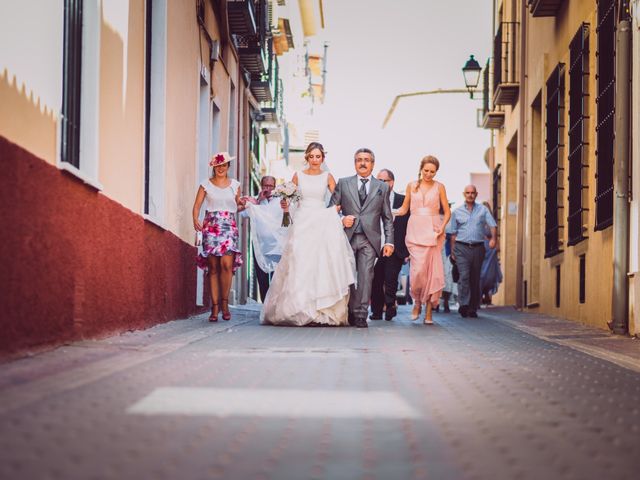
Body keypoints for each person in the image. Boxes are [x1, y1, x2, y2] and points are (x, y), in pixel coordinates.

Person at [261, 142, 356, 326]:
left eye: (318, 157)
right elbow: (292, 198)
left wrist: (336, 214)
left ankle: (320, 311)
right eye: (311, 156)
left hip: (321, 221)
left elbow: (338, 199)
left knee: (320, 263)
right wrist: (286, 206)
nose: (314, 160)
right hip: (303, 221)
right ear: (307, 157)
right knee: (300, 262)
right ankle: (299, 309)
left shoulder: (328, 176)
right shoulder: (298, 176)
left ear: (323, 158)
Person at [329, 148, 394, 328]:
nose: (363, 163)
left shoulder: (382, 187)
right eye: (359, 160)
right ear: (354, 163)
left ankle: (360, 314)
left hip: (369, 239)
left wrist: (389, 241)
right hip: (346, 238)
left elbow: (387, 217)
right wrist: (342, 219)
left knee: (366, 277)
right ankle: (349, 310)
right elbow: (330, 210)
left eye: (366, 160)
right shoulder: (343, 183)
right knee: (347, 276)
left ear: (372, 164)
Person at [394, 155, 451, 325]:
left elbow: (447, 211)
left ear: (436, 172)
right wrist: (387, 211)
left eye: (432, 172)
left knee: (431, 274)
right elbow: (404, 209)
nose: (428, 174)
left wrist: (442, 227)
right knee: (418, 273)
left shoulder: (440, 187)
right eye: (426, 170)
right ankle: (417, 302)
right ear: (421, 169)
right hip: (415, 232)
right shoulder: (412, 186)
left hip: (434, 232)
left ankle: (428, 312)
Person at [192, 152, 245, 322]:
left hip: (229, 225)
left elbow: (238, 205)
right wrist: (195, 219)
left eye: (224, 165)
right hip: (211, 226)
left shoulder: (235, 185)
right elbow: (197, 205)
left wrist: (244, 204)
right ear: (213, 167)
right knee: (213, 267)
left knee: (226, 264)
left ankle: (224, 303)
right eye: (218, 165)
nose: (221, 168)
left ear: (228, 167)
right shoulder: (205, 185)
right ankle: (214, 308)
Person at [449, 185, 497, 318]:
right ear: (464, 194)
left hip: (478, 248)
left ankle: (472, 307)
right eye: (468, 193)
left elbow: (492, 225)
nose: (470, 195)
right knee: (464, 276)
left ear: (476, 194)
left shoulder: (483, 210)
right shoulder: (456, 212)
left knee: (475, 278)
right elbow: (453, 234)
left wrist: (494, 239)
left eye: (472, 193)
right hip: (461, 248)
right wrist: (453, 251)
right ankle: (463, 304)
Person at [370, 168, 409, 321]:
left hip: (396, 246)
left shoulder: (404, 200)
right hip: (376, 246)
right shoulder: (371, 199)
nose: (379, 183)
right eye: (377, 181)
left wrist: (408, 249)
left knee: (391, 278)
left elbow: (408, 225)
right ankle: (377, 311)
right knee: (376, 279)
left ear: (391, 183)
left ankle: (390, 304)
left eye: (383, 181)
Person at [241, 175, 283, 301]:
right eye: (265, 186)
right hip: (260, 245)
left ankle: (275, 305)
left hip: (277, 245)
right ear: (261, 186)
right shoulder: (255, 200)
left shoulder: (281, 201)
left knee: (277, 278)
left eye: (271, 186)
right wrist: (258, 200)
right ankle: (265, 306)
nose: (268, 189)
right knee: (262, 278)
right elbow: (243, 214)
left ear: (275, 187)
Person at [480, 201, 502, 306]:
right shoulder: (478, 220)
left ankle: (487, 295)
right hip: (481, 249)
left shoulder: (491, 222)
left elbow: (495, 236)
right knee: (481, 273)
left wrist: (496, 244)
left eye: (486, 208)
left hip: (490, 250)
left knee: (490, 274)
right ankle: (479, 295)